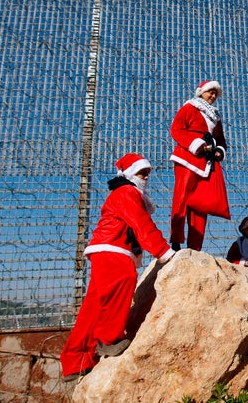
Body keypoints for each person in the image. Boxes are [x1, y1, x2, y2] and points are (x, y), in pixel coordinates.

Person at [60, 153, 175, 382]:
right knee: (122, 282)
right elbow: (141, 224)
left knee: (94, 306)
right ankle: (108, 338)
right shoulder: (127, 192)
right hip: (113, 249)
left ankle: (76, 361)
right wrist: (163, 252)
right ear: (131, 173)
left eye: (148, 173)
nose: (146, 177)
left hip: (106, 250)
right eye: (143, 173)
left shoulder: (125, 193)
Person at [169, 79, 230, 252]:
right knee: (181, 198)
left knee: (201, 204)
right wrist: (196, 144)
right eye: (210, 92)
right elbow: (177, 129)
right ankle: (176, 240)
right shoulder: (190, 107)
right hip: (187, 158)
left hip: (206, 162)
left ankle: (195, 247)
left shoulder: (215, 117)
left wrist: (219, 150)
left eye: (215, 94)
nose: (212, 96)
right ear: (201, 91)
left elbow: (221, 140)